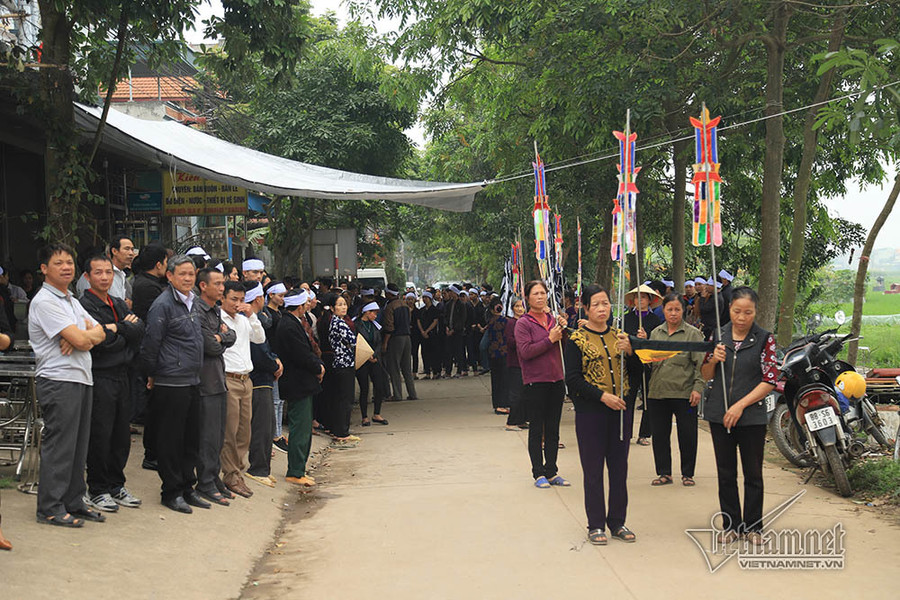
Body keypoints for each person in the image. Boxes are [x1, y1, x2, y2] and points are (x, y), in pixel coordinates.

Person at [30, 243, 107, 527]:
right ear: (44, 269)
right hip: (59, 379)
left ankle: (74, 501)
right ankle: (50, 507)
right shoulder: (45, 301)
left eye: (70, 262)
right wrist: (81, 337)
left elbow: (102, 330)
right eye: (59, 262)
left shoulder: (72, 301)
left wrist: (86, 336)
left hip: (81, 378)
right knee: (60, 447)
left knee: (78, 447)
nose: (66, 267)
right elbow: (81, 339)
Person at [700, 286, 777, 546]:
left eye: (748, 312)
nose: (742, 317)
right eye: (737, 311)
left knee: (753, 472)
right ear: (729, 309)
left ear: (755, 312)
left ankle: (754, 526)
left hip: (751, 416)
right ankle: (731, 525)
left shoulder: (765, 338)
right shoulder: (718, 335)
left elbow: (770, 380)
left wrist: (740, 405)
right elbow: (706, 375)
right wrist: (714, 359)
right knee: (726, 471)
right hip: (719, 414)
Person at [564, 284, 639, 545]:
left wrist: (631, 353)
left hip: (620, 413)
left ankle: (617, 521)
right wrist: (601, 396)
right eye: (595, 304)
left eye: (605, 303)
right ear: (585, 307)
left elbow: (636, 374)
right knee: (593, 470)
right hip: (591, 414)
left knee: (619, 469)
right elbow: (572, 380)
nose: (602, 308)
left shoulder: (620, 336)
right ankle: (596, 524)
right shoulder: (576, 340)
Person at [139, 255, 206, 514]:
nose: (188, 278)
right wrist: (152, 374)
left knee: (191, 439)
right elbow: (150, 344)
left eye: (191, 274)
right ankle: (171, 491)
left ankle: (188, 487)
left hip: (192, 379)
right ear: (169, 276)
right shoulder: (162, 305)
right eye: (182, 274)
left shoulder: (194, 302)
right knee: (171, 441)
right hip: (170, 381)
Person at [80, 255, 145, 512]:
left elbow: (139, 330)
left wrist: (116, 330)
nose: (105, 277)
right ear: (87, 277)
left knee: (121, 435)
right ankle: (97, 488)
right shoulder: (84, 306)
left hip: (123, 375)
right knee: (101, 434)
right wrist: (122, 331)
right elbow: (100, 343)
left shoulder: (118, 303)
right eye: (98, 272)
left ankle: (116, 485)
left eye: (108, 272)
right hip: (100, 376)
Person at [646, 293, 706, 487]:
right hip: (658, 392)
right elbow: (649, 362)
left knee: (687, 435)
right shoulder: (655, 333)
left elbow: (701, 365)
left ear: (683, 311)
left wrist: (698, 388)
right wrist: (641, 346)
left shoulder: (692, 334)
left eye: (677, 309)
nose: (673, 313)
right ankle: (664, 473)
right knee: (660, 435)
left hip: (685, 393)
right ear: (663, 310)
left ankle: (687, 473)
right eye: (669, 309)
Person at [515, 280, 570, 489]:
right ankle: (538, 472)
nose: (540, 297)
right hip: (535, 381)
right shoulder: (524, 323)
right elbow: (526, 352)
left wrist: (563, 331)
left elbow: (563, 347)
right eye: (535, 293)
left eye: (543, 293)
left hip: (556, 379)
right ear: (527, 298)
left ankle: (552, 470)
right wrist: (549, 339)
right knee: (537, 428)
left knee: (554, 428)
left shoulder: (553, 319)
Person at [220, 280, 267, 497]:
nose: (237, 304)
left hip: (246, 379)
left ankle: (238, 472)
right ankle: (230, 475)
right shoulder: (217, 319)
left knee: (244, 431)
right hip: (228, 378)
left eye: (241, 300)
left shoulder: (243, 319)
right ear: (223, 298)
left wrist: (252, 315)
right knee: (230, 430)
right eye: (233, 299)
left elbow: (259, 338)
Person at [195, 267, 236, 506]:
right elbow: (209, 345)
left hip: (218, 378)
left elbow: (230, 336)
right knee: (208, 436)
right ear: (203, 286)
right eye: (218, 284)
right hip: (205, 380)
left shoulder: (216, 311)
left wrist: (221, 337)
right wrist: (220, 338)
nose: (222, 288)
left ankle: (214, 478)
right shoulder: (197, 311)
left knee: (219, 434)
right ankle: (205, 482)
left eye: (223, 284)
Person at [276, 290, 323, 487]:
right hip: (297, 384)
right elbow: (301, 354)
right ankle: (295, 470)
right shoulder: (288, 326)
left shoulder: (292, 323)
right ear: (301, 306)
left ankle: (300, 468)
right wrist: (318, 366)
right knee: (300, 428)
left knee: (303, 428)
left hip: (302, 383)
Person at [246, 282, 283, 488]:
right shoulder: (249, 320)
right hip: (258, 379)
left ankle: (263, 467)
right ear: (258, 298)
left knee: (268, 425)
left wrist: (274, 359)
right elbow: (258, 351)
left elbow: (265, 347)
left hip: (265, 378)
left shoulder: (257, 319)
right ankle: (257, 468)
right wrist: (273, 364)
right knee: (261, 426)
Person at [623, 285, 662, 446]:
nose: (640, 301)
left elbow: (657, 342)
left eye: (644, 298)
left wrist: (647, 338)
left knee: (648, 399)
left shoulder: (655, 320)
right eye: (637, 298)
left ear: (649, 300)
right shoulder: (627, 319)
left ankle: (644, 434)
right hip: (631, 364)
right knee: (628, 398)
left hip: (648, 364)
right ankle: (626, 433)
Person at [321, 294, 357, 443]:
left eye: (345, 304)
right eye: (340, 304)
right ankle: (342, 432)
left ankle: (339, 430)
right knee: (345, 399)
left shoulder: (335, 321)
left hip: (340, 363)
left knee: (340, 398)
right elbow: (353, 341)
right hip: (344, 364)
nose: (343, 307)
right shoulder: (339, 323)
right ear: (332, 308)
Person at [382, 283, 418, 400]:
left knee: (394, 367)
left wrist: (385, 343)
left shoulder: (390, 307)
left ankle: (397, 395)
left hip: (396, 338)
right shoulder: (405, 305)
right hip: (407, 337)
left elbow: (389, 327)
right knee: (407, 367)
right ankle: (412, 393)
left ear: (388, 293)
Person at [264, 281, 289, 453]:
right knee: (274, 400)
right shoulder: (267, 315)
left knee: (279, 400)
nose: (282, 299)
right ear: (271, 295)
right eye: (280, 295)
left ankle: (278, 433)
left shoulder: (279, 313)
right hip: (272, 360)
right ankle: (275, 434)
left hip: (281, 359)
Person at [356, 301, 389, 426]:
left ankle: (377, 413)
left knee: (378, 385)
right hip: (362, 359)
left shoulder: (375, 326)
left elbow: (379, 342)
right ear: (367, 312)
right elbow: (357, 341)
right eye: (374, 313)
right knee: (364, 388)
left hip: (374, 359)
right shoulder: (357, 325)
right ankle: (364, 416)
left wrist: (375, 354)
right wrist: (366, 354)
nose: (375, 316)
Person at [503, 299, 527, 430]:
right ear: (513, 308)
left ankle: (521, 420)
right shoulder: (511, 323)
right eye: (517, 306)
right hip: (515, 362)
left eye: (521, 306)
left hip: (525, 362)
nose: (519, 308)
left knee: (524, 393)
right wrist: (523, 341)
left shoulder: (525, 322)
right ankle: (511, 422)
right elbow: (510, 341)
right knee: (516, 393)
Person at [485, 297, 509, 415]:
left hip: (493, 353)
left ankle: (497, 404)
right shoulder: (505, 321)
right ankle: (502, 404)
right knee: (504, 379)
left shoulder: (490, 321)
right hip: (504, 353)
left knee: (496, 380)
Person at [416, 291, 440, 379]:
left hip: (432, 334)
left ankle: (436, 371)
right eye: (423, 298)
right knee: (425, 353)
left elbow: (435, 321)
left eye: (426, 298)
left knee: (434, 353)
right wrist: (422, 331)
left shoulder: (434, 309)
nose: (424, 299)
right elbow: (418, 321)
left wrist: (427, 331)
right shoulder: (421, 310)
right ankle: (427, 372)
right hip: (423, 334)